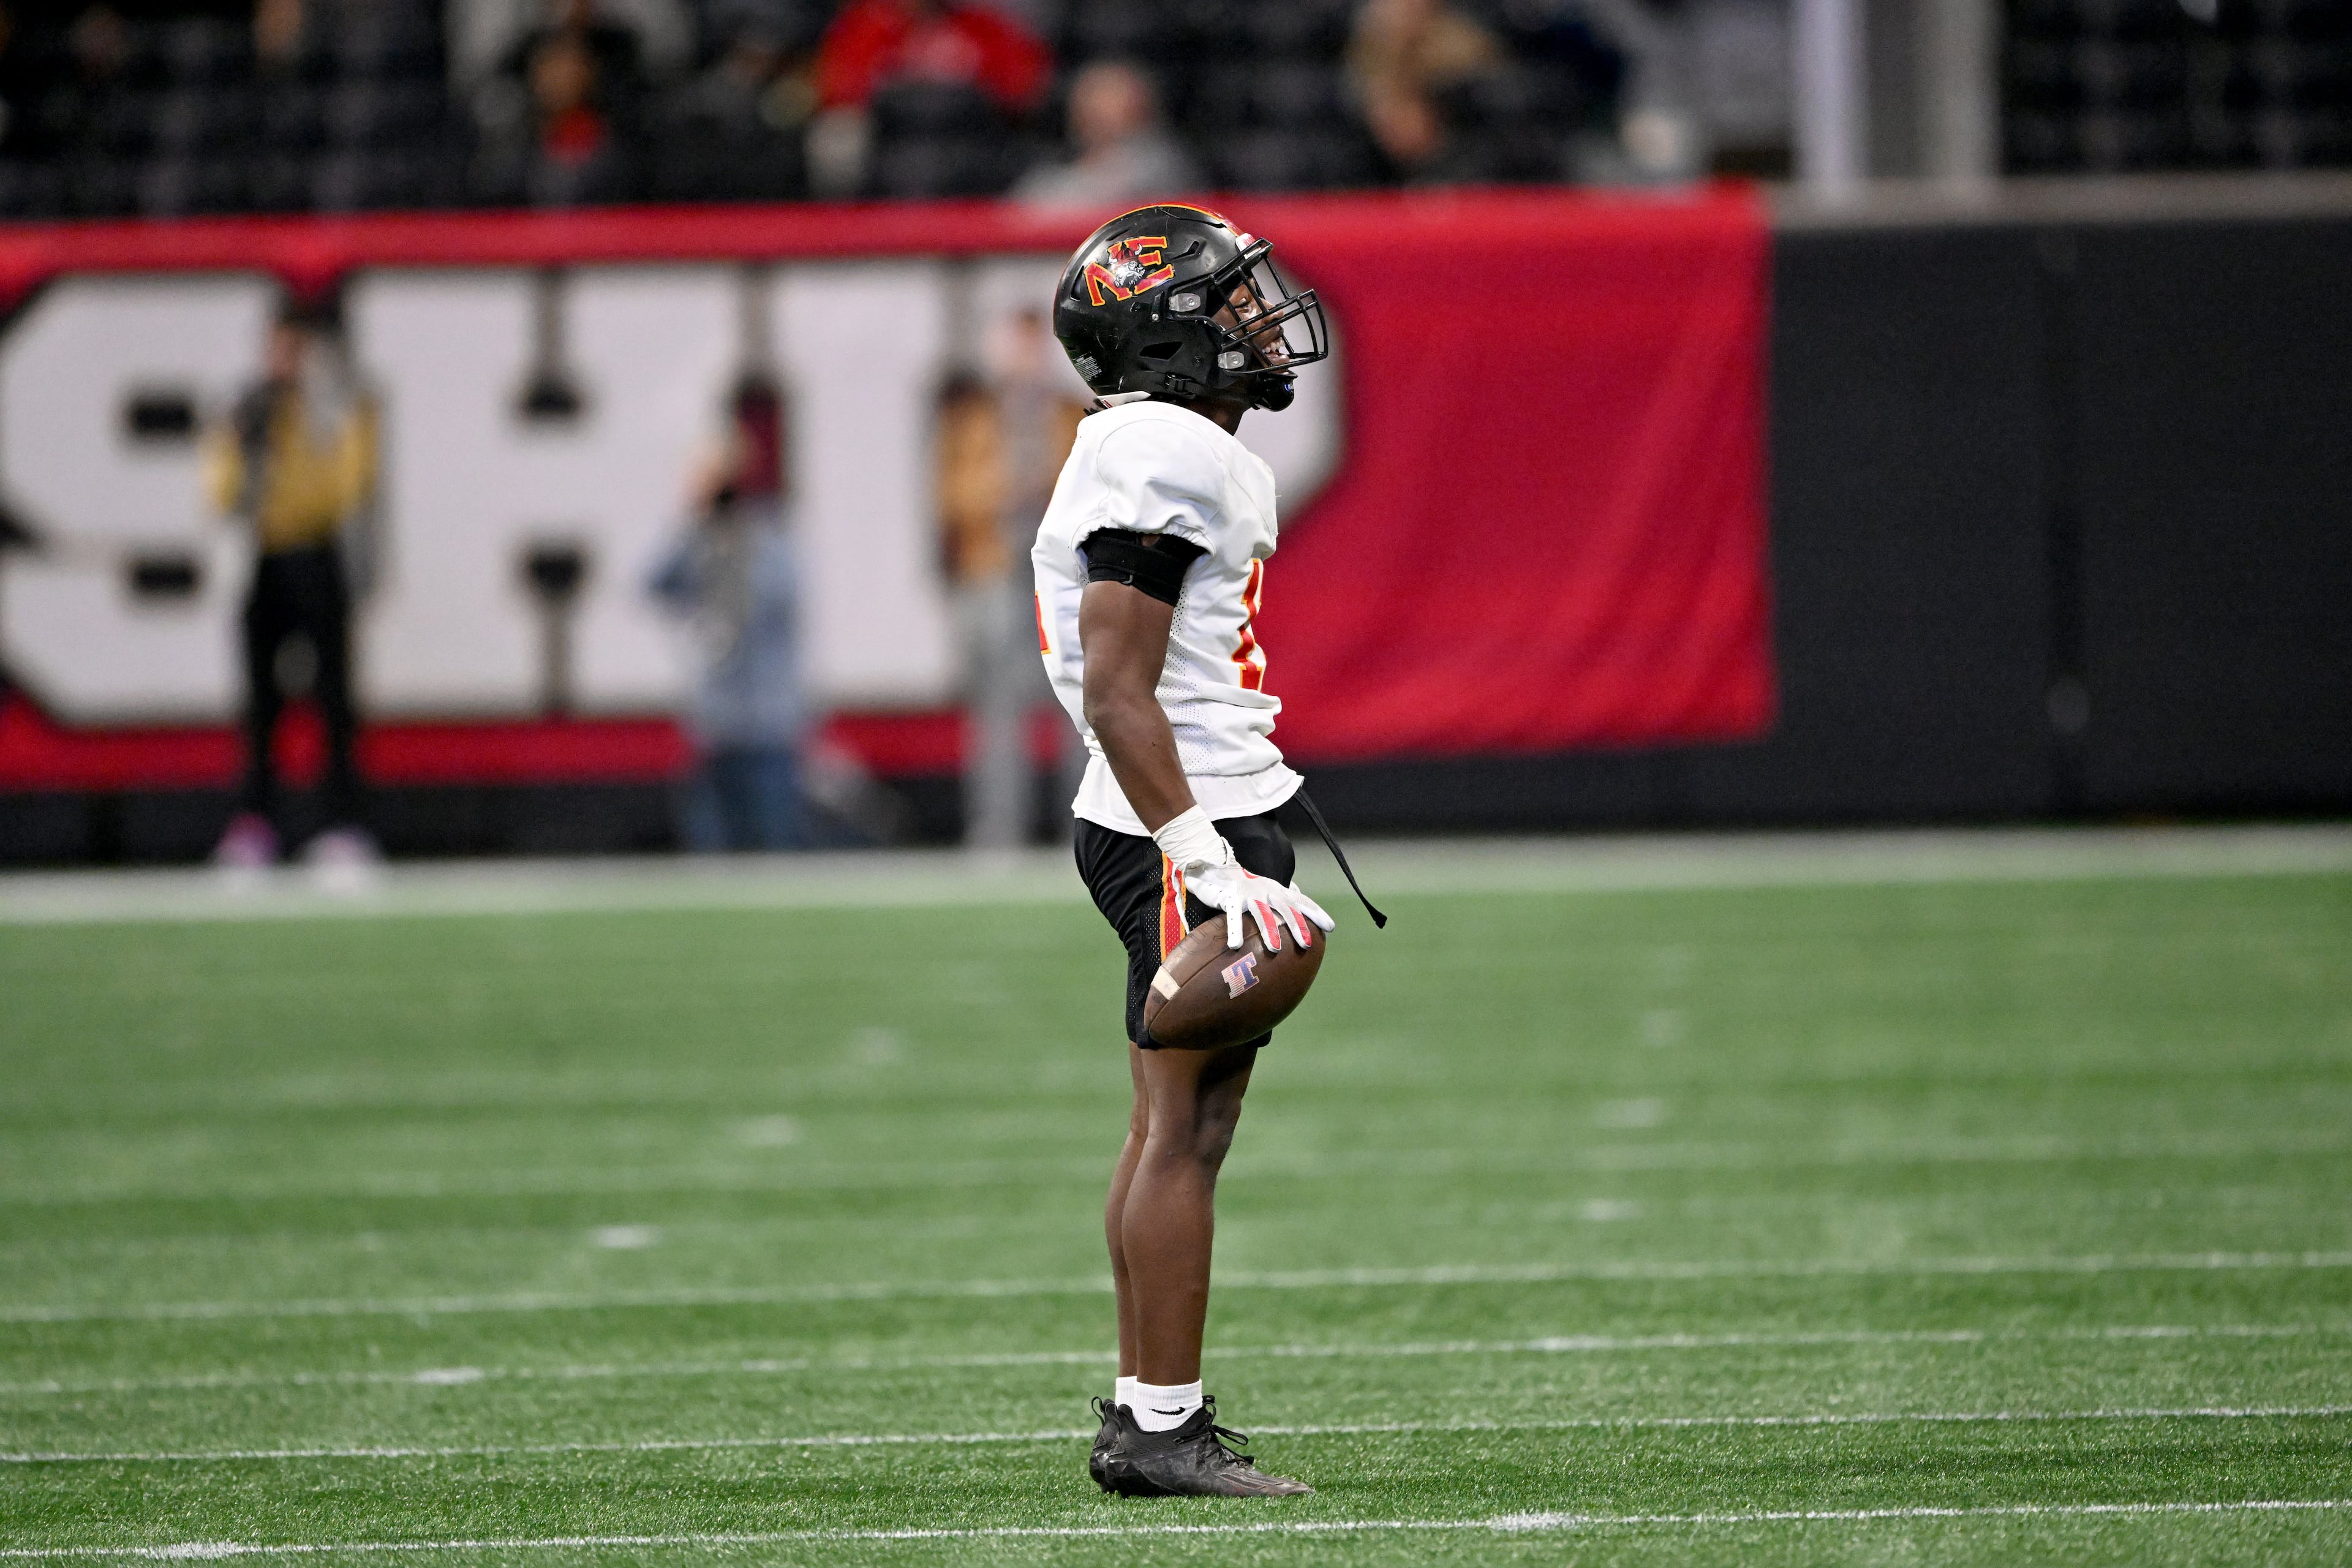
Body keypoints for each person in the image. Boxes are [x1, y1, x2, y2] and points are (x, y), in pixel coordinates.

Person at [1033, 207, 1339, 1497]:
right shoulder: (1159, 442)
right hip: (1179, 811)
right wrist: (1202, 853)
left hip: (1189, 802)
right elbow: (1117, 683)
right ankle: (1160, 1427)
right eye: (1228, 303)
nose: (1258, 321)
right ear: (1164, 336)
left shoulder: (1175, 442)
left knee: (1179, 1121)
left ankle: (1148, 1411)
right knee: (1184, 1124)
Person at [205, 300, 380, 870]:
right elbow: (221, 493)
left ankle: (341, 826)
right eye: (278, 348)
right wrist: (248, 449)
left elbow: (347, 485)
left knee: (333, 701)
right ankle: (255, 826)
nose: (285, 361)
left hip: (317, 555)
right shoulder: (244, 409)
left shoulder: (328, 410)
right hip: (264, 558)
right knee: (261, 705)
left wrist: (304, 438)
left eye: (295, 349)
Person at [937, 309, 1086, 848]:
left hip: (1061, 574)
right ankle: (999, 830)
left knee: (1082, 703)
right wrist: (1008, 488)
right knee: (997, 709)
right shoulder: (976, 421)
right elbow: (953, 497)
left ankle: (1089, 829)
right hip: (998, 571)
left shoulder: (1068, 415)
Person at [647, 377, 810, 853]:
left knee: (774, 848)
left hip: (767, 721)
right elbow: (653, 586)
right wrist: (690, 520)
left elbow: (772, 600)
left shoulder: (768, 536)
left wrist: (730, 547)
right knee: (715, 855)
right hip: (715, 719)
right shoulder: (695, 540)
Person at [1012, 59, 1200, 211]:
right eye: (1088, 100)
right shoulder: (1046, 181)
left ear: (1139, 108)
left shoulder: (1160, 166)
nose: (1094, 113)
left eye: (1107, 99)